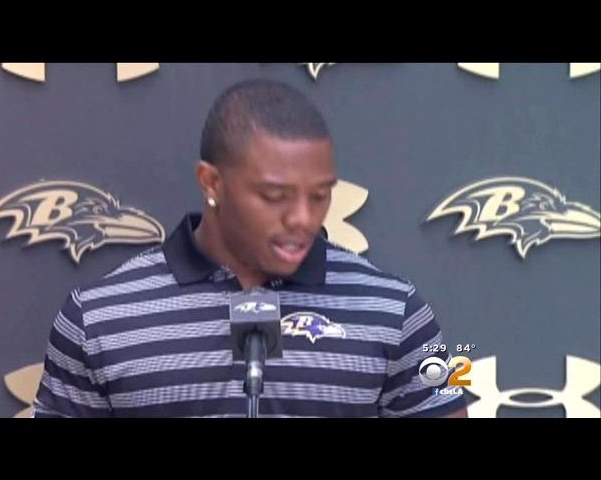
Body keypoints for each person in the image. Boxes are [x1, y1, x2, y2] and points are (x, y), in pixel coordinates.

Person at [33, 78, 467, 418]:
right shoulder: (96, 319)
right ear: (211, 182)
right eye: (275, 196)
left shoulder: (399, 311)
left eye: (320, 196)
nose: (303, 218)